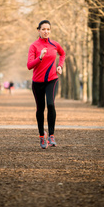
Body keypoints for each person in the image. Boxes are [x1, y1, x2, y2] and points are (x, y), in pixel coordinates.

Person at [27, 20, 65, 149]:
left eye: (48, 29)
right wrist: (40, 57)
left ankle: (51, 135)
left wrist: (60, 66)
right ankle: (42, 136)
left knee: (51, 104)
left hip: (52, 80)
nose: (46, 31)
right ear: (38, 30)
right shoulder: (34, 46)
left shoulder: (55, 44)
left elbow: (63, 54)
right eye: (43, 29)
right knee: (40, 109)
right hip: (37, 82)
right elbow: (29, 65)